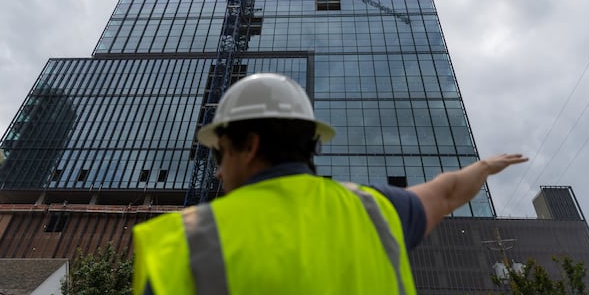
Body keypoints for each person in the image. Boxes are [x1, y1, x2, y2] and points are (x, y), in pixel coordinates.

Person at [133, 73, 528, 295]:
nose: (217, 170)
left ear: (250, 145)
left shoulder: (186, 242)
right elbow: (448, 192)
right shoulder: (375, 210)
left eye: (219, 153)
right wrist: (484, 166)